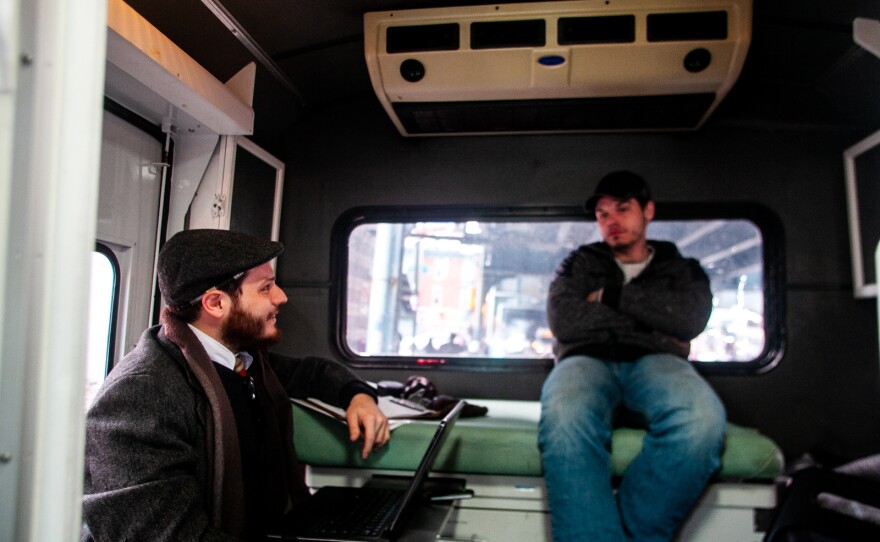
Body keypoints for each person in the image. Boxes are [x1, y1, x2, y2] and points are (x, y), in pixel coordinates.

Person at [82, 229, 391, 541]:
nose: (281, 297)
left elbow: (314, 372)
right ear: (216, 303)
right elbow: (168, 535)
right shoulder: (140, 397)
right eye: (266, 288)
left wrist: (358, 396)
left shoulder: (241, 361)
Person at [538, 171, 726, 542]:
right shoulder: (578, 263)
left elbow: (689, 319)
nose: (611, 221)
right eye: (603, 214)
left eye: (622, 209)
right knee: (564, 416)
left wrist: (609, 297)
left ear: (648, 211)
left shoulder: (680, 268)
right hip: (586, 358)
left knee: (700, 422)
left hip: (656, 362)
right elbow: (566, 321)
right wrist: (652, 324)